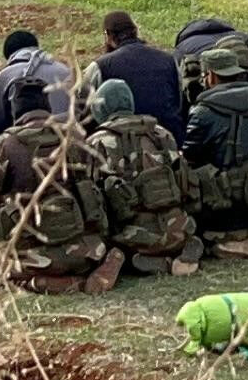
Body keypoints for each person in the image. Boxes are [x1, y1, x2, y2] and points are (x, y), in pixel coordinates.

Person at [0, 109, 116, 294]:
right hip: (86, 253)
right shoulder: (75, 138)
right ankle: (102, 266)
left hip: (32, 256)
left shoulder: (7, 144)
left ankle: (42, 283)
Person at [180, 39, 248, 258]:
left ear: (209, 76)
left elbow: (190, 158)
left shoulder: (203, 112)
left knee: (180, 169)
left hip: (221, 215)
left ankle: (218, 242)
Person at [84, 77, 199, 276]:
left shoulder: (97, 143)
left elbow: (93, 201)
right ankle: (184, 249)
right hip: (178, 228)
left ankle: (143, 261)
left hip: (133, 236)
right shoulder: (162, 134)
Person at [95, 11, 187, 147]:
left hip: (121, 145)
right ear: (135, 31)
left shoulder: (102, 65)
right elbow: (179, 101)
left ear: (108, 35)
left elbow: (86, 106)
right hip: (169, 142)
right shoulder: (168, 59)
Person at [0, 30, 78, 128]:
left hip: (25, 138)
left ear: (8, 55)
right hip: (66, 135)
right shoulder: (64, 70)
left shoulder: (5, 75)